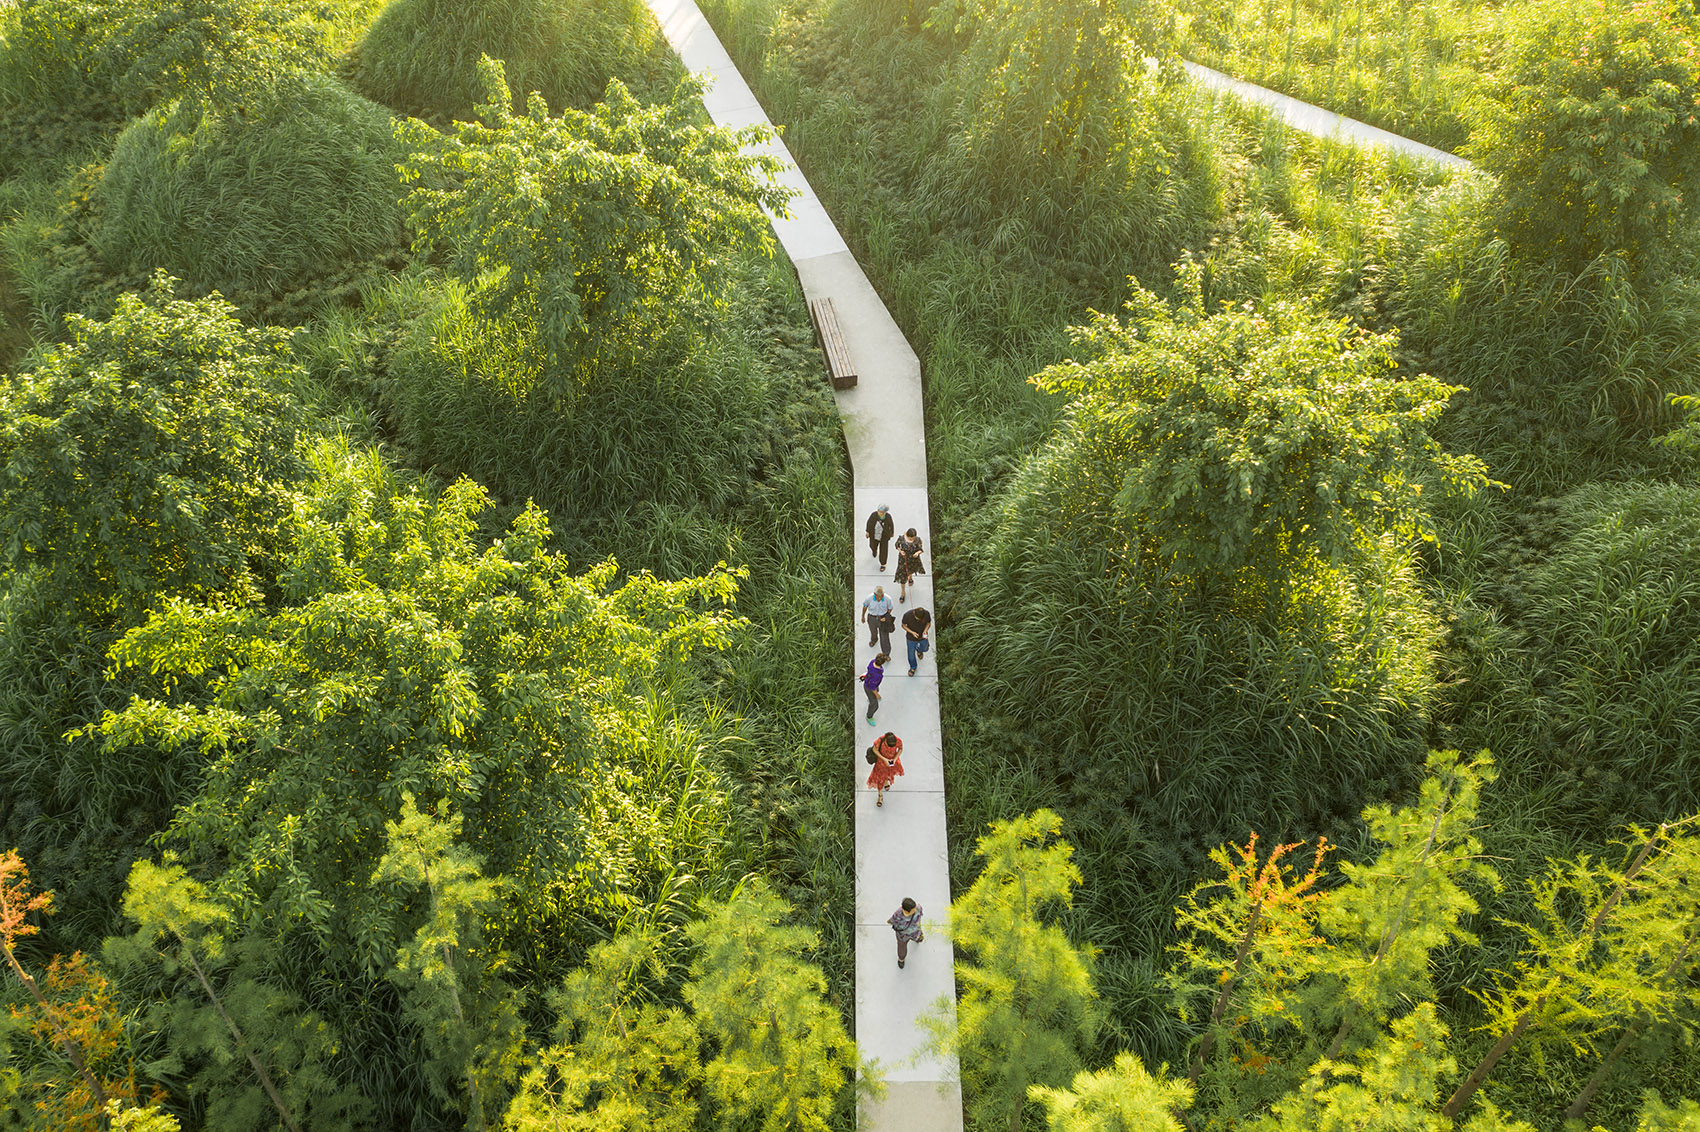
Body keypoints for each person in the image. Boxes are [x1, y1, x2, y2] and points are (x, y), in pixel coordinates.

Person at [866, 730, 904, 806]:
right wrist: (884, 759)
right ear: (886, 740)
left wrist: (895, 759)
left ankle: (886, 782)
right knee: (880, 780)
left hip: (891, 762)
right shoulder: (880, 740)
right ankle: (880, 796)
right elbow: (874, 749)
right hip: (881, 763)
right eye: (889, 745)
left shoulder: (898, 740)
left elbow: (900, 749)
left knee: (888, 774)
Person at [888, 898, 924, 968]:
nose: (915, 910)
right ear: (906, 911)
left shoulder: (918, 908)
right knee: (902, 948)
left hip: (916, 932)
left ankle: (918, 939)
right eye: (913, 910)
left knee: (920, 938)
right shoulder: (898, 915)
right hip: (903, 936)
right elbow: (890, 921)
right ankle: (901, 959)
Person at [892, 528, 925, 602]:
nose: (912, 539)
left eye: (913, 538)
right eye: (911, 538)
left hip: (913, 559)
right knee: (903, 577)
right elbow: (896, 545)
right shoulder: (902, 539)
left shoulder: (917, 540)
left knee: (911, 570)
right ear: (907, 535)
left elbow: (920, 549)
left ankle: (910, 577)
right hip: (903, 560)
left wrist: (917, 553)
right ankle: (903, 592)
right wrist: (900, 551)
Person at [861, 585, 895, 655]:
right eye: (878, 596)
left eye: (881, 596)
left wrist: (886, 617)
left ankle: (886, 654)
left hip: (883, 618)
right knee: (873, 631)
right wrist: (863, 616)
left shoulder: (888, 599)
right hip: (872, 618)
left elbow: (890, 608)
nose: (879, 598)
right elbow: (865, 606)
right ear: (874, 594)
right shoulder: (869, 598)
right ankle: (874, 640)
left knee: (884, 637)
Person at [857, 653, 888, 725]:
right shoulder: (877, 675)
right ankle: (869, 716)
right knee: (874, 705)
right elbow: (872, 688)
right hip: (869, 687)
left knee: (876, 690)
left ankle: (870, 698)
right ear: (882, 663)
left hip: (869, 682)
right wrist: (877, 695)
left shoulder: (872, 662)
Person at [901, 605, 932, 676]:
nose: (919, 620)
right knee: (911, 655)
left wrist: (925, 630)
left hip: (922, 636)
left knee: (925, 648)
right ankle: (913, 667)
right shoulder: (907, 615)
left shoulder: (926, 614)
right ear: (914, 613)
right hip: (911, 638)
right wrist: (912, 632)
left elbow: (928, 623)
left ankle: (919, 650)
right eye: (917, 619)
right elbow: (903, 625)